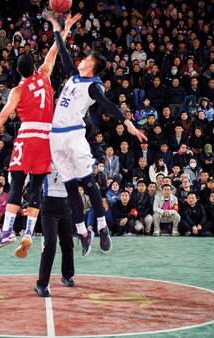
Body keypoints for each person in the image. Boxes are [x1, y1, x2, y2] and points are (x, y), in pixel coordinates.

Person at [0, 13, 81, 258]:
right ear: (33, 66)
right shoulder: (44, 74)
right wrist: (65, 28)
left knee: (17, 184)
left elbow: (1, 117)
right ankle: (29, 231)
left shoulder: (18, 90)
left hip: (28, 135)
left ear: (18, 71)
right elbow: (54, 50)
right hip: (47, 139)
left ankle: (8, 230)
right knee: (37, 188)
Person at [49, 14, 146, 256]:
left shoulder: (93, 85)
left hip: (73, 135)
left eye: (86, 59)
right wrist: (56, 30)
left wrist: (129, 123)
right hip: (56, 136)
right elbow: (63, 54)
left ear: (91, 65)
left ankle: (102, 228)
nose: (80, 60)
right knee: (70, 186)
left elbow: (108, 105)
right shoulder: (73, 75)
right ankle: (82, 232)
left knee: (88, 182)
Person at [34, 165, 74, 298]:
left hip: (65, 203)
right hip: (49, 204)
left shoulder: (67, 159)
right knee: (50, 242)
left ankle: (67, 275)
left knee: (68, 242)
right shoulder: (45, 160)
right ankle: (41, 284)